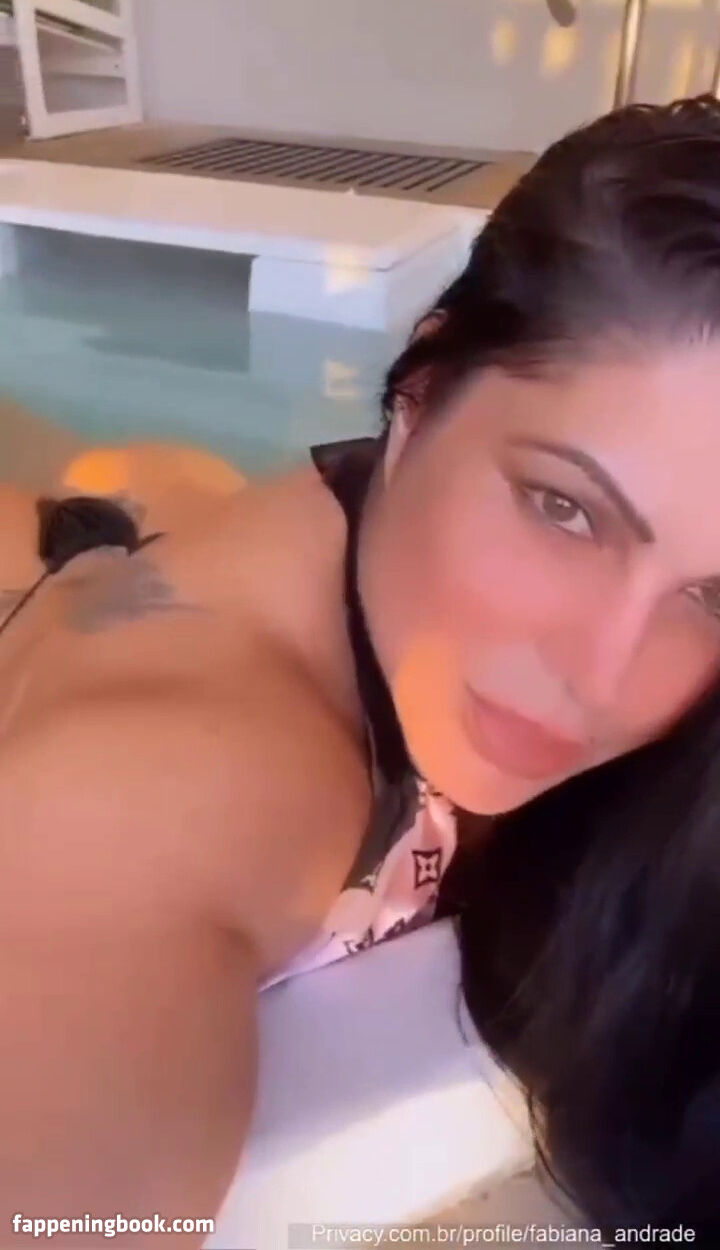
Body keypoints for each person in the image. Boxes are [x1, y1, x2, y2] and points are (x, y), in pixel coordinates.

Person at [3, 93, 720, 1245]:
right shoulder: (162, 794)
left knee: (125, 495)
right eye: (565, 508)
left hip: (141, 540)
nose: (607, 674)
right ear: (419, 390)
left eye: (710, 593)